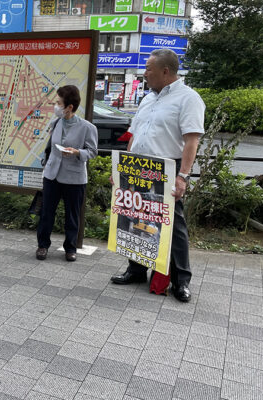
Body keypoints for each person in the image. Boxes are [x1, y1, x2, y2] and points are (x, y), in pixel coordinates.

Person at [109, 49, 205, 303]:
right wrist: (122, 170)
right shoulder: (147, 99)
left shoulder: (189, 99)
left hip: (167, 168)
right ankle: (137, 269)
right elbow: (134, 135)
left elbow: (191, 141)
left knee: (173, 225)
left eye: (149, 68)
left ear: (165, 71)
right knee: (136, 217)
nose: (144, 73)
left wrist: (182, 176)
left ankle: (181, 281)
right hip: (138, 167)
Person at [35, 85, 98, 262]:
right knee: (47, 212)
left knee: (72, 214)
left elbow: (92, 151)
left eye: (58, 103)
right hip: (52, 174)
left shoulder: (87, 128)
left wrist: (77, 152)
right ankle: (42, 245)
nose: (55, 106)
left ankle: (70, 248)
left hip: (74, 177)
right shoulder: (55, 123)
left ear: (69, 107)